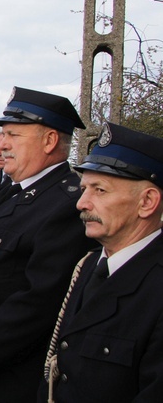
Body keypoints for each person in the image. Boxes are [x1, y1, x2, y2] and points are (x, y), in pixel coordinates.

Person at [0, 87, 94, 402]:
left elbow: (39, 302)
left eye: (13, 134)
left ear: (49, 140)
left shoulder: (66, 204)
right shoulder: (12, 190)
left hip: (16, 374)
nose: (3, 144)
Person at [40, 122, 163, 403]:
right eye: (84, 189)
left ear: (147, 201)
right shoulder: (89, 266)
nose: (81, 203)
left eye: (100, 190)